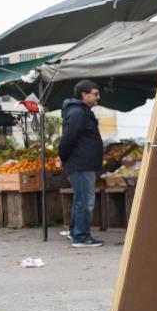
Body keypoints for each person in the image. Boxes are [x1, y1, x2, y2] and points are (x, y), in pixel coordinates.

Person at [58, 79, 104, 248]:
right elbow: (68, 138)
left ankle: (75, 232)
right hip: (81, 163)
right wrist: (62, 156)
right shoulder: (78, 113)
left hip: (83, 162)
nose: (98, 97)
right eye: (95, 94)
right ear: (84, 95)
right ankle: (81, 237)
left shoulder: (81, 111)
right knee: (85, 201)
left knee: (81, 200)